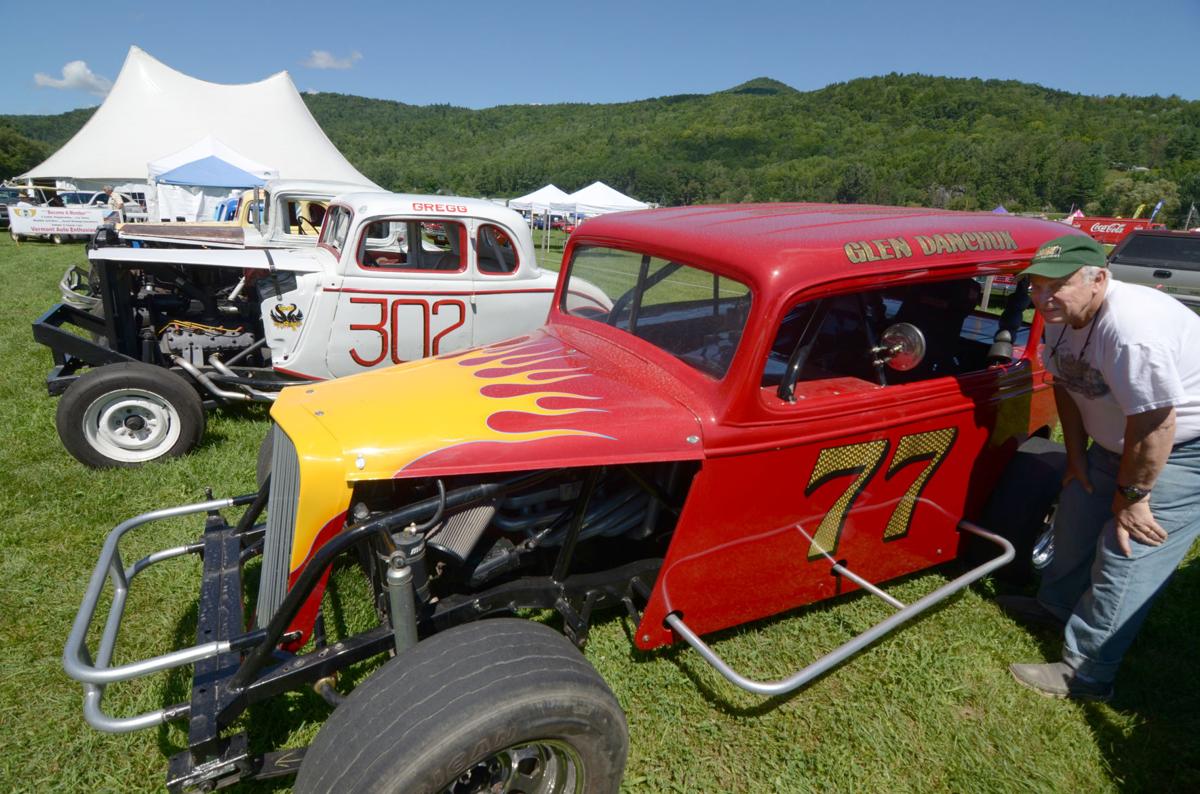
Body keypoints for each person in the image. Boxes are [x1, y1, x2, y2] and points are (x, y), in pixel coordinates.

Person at [998, 233, 1200, 700]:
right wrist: (1075, 458)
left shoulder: (1132, 332)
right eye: (1036, 286)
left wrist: (1134, 497)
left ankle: (1087, 673)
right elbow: (1068, 386)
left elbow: (1156, 425)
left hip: (1181, 449)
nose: (1043, 297)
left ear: (1098, 280)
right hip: (1116, 443)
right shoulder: (1060, 317)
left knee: (1127, 550)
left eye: (1057, 285)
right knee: (1076, 515)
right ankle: (1054, 606)